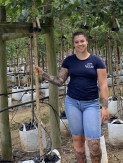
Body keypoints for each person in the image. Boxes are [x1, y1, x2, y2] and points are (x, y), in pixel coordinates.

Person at [34, 31, 109, 163]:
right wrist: (43, 74)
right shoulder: (69, 61)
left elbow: (103, 85)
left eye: (82, 41)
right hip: (72, 103)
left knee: (93, 142)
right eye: (76, 42)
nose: (80, 44)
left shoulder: (97, 61)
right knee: (77, 139)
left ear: (87, 42)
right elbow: (59, 81)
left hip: (91, 104)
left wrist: (105, 107)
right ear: (73, 44)